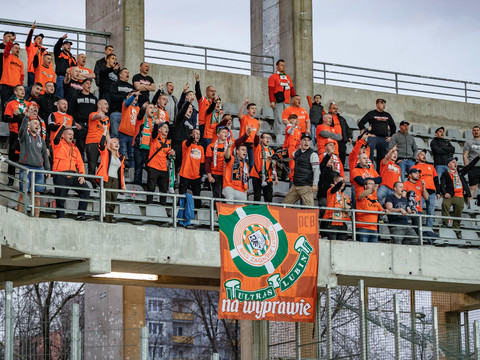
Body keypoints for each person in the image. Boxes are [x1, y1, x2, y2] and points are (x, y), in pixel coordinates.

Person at [51, 119, 90, 220]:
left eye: (72, 134)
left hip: (73, 175)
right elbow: (56, 137)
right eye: (68, 134)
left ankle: (81, 215)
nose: (71, 136)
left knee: (85, 190)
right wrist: (63, 125)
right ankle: (60, 219)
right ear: (63, 135)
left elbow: (80, 163)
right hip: (60, 174)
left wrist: (82, 174)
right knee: (60, 199)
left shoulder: (75, 148)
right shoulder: (58, 144)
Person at [17, 104, 50, 217]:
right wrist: (27, 116)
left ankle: (36, 218)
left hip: (39, 169)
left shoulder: (41, 139)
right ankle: (18, 216)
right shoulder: (24, 136)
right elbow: (21, 129)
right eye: (35, 123)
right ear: (29, 125)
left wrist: (48, 169)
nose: (37, 125)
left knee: (37, 194)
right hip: (26, 168)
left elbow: (45, 155)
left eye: (38, 124)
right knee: (23, 193)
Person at [440, 156, 480, 236]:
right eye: (453, 162)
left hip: (460, 196)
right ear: (449, 165)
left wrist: (478, 157)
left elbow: (470, 166)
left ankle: (456, 229)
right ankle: (445, 222)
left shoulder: (460, 172)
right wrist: (445, 193)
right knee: (445, 205)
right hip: (450, 195)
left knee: (458, 213)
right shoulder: (445, 174)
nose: (455, 164)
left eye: (456, 162)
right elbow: (442, 185)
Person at [96, 125, 125, 223]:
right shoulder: (106, 153)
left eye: (118, 142)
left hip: (115, 181)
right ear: (110, 144)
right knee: (107, 200)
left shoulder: (121, 157)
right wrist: (105, 131)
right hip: (107, 179)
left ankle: (110, 220)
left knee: (113, 201)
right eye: (114, 142)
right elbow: (101, 144)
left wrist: (123, 185)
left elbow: (121, 172)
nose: (117, 144)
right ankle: (105, 220)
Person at [358, 98, 396, 170]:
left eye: (384, 103)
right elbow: (361, 123)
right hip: (373, 137)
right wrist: (365, 132)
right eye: (381, 103)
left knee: (382, 158)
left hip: (384, 139)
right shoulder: (371, 113)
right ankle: (370, 170)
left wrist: (391, 136)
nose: (383, 105)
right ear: (377, 104)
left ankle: (379, 174)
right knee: (370, 155)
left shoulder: (387, 115)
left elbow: (393, 127)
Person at [283, 133, 320, 206]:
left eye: (308, 140)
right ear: (300, 142)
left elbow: (316, 170)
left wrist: (315, 184)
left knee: (310, 209)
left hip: (306, 186)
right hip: (295, 185)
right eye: (304, 140)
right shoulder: (295, 152)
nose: (306, 142)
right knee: (285, 206)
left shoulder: (313, 154)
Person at [3, 85, 29, 185]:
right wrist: (16, 118)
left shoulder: (28, 104)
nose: (23, 91)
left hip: (26, 134)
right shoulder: (11, 103)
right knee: (12, 157)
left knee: (26, 157)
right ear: (15, 92)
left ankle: (26, 180)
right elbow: (5, 118)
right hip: (14, 133)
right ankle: (11, 179)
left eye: (23, 90)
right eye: (20, 89)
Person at [145, 121, 175, 205]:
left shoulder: (168, 142)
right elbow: (154, 132)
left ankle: (163, 208)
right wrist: (156, 124)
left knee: (164, 190)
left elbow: (168, 154)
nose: (167, 129)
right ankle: (149, 205)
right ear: (159, 130)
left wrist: (172, 153)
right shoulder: (155, 137)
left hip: (163, 169)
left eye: (167, 128)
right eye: (165, 127)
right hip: (153, 167)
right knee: (151, 188)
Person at [68, 79, 98, 157]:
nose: (89, 85)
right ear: (82, 85)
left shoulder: (94, 98)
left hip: (91, 126)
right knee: (80, 147)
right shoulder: (76, 97)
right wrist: (74, 123)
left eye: (90, 83)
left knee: (90, 148)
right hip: (80, 126)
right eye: (87, 83)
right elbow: (70, 112)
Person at [411, 149, 440, 228]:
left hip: (432, 193)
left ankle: (428, 230)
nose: (424, 156)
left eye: (424, 155)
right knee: (418, 211)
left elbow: (436, 179)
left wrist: (438, 192)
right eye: (421, 154)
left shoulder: (431, 167)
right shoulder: (414, 167)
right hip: (420, 192)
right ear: (417, 157)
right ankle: (418, 230)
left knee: (430, 213)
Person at [317, 139, 345, 216]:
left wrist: (342, 182)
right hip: (324, 192)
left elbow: (341, 173)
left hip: (335, 192)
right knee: (325, 214)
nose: (332, 147)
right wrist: (329, 155)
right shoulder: (321, 157)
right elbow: (321, 168)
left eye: (333, 145)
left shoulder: (337, 158)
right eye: (330, 145)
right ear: (325, 147)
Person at [178, 128, 204, 208]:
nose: (198, 136)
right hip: (185, 174)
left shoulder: (201, 148)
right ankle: (180, 210)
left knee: (197, 196)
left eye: (199, 134)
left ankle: (197, 212)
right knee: (182, 195)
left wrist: (200, 174)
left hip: (196, 176)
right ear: (191, 135)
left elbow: (202, 162)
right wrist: (192, 138)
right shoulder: (185, 143)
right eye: (196, 133)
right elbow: (188, 142)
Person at [268, 59, 296, 134]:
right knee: (279, 119)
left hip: (287, 102)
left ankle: (288, 134)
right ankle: (279, 135)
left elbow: (292, 89)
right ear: (277, 66)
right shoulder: (273, 77)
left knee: (288, 120)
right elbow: (271, 90)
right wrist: (272, 101)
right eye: (281, 65)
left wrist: (294, 99)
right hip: (278, 101)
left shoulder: (287, 77)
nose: (283, 67)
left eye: (284, 65)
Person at [132, 102, 156, 186]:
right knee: (138, 170)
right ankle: (136, 190)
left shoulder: (154, 121)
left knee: (151, 170)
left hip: (150, 149)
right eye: (150, 108)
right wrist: (142, 108)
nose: (152, 109)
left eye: (153, 108)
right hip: (139, 147)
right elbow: (140, 115)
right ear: (146, 110)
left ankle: (149, 190)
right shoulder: (141, 118)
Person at [250, 132, 278, 202]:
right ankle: (256, 212)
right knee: (257, 198)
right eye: (266, 137)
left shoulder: (271, 151)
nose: (268, 139)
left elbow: (273, 165)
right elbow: (256, 140)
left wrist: (276, 178)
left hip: (268, 178)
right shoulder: (257, 147)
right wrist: (259, 126)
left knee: (269, 199)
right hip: (257, 176)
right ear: (261, 139)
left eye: (269, 138)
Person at [85, 100, 110, 176]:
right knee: (92, 165)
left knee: (104, 165)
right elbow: (94, 117)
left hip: (103, 144)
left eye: (107, 104)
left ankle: (99, 183)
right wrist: (100, 115)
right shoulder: (93, 114)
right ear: (99, 105)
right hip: (92, 142)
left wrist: (109, 144)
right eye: (105, 104)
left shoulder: (107, 118)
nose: (107, 105)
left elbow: (107, 133)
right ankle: (91, 184)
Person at [355, 178, 385, 242]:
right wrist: (371, 189)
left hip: (374, 228)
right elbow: (361, 196)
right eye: (370, 184)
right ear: (365, 186)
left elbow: (381, 211)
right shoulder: (360, 193)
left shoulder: (375, 199)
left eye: (373, 184)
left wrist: (385, 211)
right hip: (362, 227)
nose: (372, 185)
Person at [171, 100, 196, 173]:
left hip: (186, 146)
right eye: (188, 107)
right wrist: (188, 102)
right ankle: (172, 181)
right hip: (178, 145)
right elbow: (182, 112)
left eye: (191, 108)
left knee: (183, 166)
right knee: (175, 165)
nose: (190, 109)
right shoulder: (180, 118)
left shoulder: (190, 122)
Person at [323, 175, 350, 240]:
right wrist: (341, 181)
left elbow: (349, 205)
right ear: (335, 182)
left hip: (342, 221)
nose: (343, 184)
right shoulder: (331, 191)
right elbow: (335, 189)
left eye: (344, 182)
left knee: (343, 243)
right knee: (332, 243)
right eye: (341, 182)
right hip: (332, 220)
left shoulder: (345, 195)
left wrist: (348, 207)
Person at [118, 91, 141, 169]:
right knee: (122, 153)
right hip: (123, 134)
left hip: (133, 135)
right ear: (128, 97)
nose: (136, 97)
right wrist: (134, 95)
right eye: (134, 96)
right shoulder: (125, 104)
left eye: (137, 96)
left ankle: (131, 172)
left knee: (132, 156)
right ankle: (120, 171)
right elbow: (128, 102)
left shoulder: (138, 108)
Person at [205, 126, 230, 199]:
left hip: (226, 175)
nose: (226, 134)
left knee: (225, 196)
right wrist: (209, 175)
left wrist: (247, 134)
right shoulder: (211, 146)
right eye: (223, 132)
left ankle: (223, 210)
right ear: (218, 134)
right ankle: (217, 210)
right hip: (215, 174)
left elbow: (239, 141)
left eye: (226, 132)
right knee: (217, 196)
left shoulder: (229, 145)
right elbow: (207, 162)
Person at [109, 67, 134, 139]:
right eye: (125, 72)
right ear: (120, 74)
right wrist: (125, 97)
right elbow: (112, 96)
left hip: (129, 115)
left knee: (127, 137)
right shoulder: (114, 84)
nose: (128, 73)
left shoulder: (131, 87)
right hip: (117, 113)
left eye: (128, 72)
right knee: (115, 135)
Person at [0, 38, 24, 110]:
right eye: (15, 48)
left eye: (19, 48)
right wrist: (10, 42)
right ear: (11, 49)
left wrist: (20, 87)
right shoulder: (7, 57)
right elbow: (6, 50)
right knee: (5, 104)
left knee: (14, 106)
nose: (17, 50)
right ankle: (4, 120)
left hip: (16, 87)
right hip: (6, 84)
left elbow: (22, 76)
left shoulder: (20, 62)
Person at [403, 168, 429, 234]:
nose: (418, 175)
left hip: (418, 210)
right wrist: (408, 209)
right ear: (410, 175)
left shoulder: (420, 184)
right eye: (415, 173)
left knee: (418, 231)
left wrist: (423, 187)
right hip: (408, 209)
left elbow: (426, 197)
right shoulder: (405, 184)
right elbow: (403, 197)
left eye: (418, 173)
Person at [238, 98, 260, 168]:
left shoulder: (256, 121)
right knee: (242, 162)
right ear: (248, 110)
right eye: (252, 108)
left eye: (255, 108)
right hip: (243, 143)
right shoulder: (244, 118)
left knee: (252, 163)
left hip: (252, 145)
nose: (254, 110)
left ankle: (248, 177)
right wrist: (245, 104)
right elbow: (239, 115)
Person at [194, 73, 215, 147]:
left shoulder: (216, 102)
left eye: (214, 91)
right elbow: (198, 93)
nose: (213, 93)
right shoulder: (203, 99)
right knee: (204, 145)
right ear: (207, 92)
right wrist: (197, 82)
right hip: (203, 125)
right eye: (211, 91)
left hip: (212, 127)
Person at [25, 21, 46, 87]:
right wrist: (32, 30)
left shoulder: (44, 51)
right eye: (38, 39)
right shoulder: (31, 47)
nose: (40, 40)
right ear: (34, 40)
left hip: (41, 73)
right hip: (32, 72)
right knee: (31, 89)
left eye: (41, 39)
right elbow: (28, 40)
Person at [463, 126, 480, 197]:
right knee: (472, 188)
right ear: (472, 132)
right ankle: (468, 206)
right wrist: (467, 167)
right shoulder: (469, 142)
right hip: (473, 168)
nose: (476, 131)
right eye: (474, 130)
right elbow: (465, 155)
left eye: (477, 130)